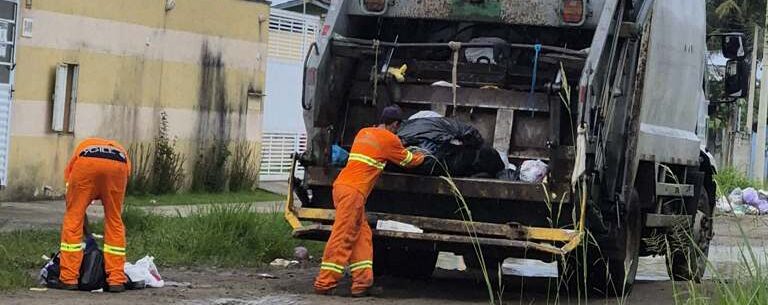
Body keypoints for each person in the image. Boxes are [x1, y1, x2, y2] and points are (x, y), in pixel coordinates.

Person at [314, 106, 425, 297]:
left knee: (362, 236)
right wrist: (424, 155)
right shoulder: (389, 138)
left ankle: (362, 283)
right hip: (354, 193)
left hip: (342, 187)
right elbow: (409, 161)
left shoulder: (364, 132)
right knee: (343, 237)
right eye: (398, 127)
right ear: (395, 124)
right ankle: (324, 283)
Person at [58, 138, 131, 293]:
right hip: (119, 164)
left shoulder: (80, 153)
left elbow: (70, 197)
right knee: (114, 220)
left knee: (73, 219)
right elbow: (126, 176)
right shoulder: (119, 149)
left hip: (86, 165)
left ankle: (69, 278)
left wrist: (79, 213)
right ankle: (116, 280)